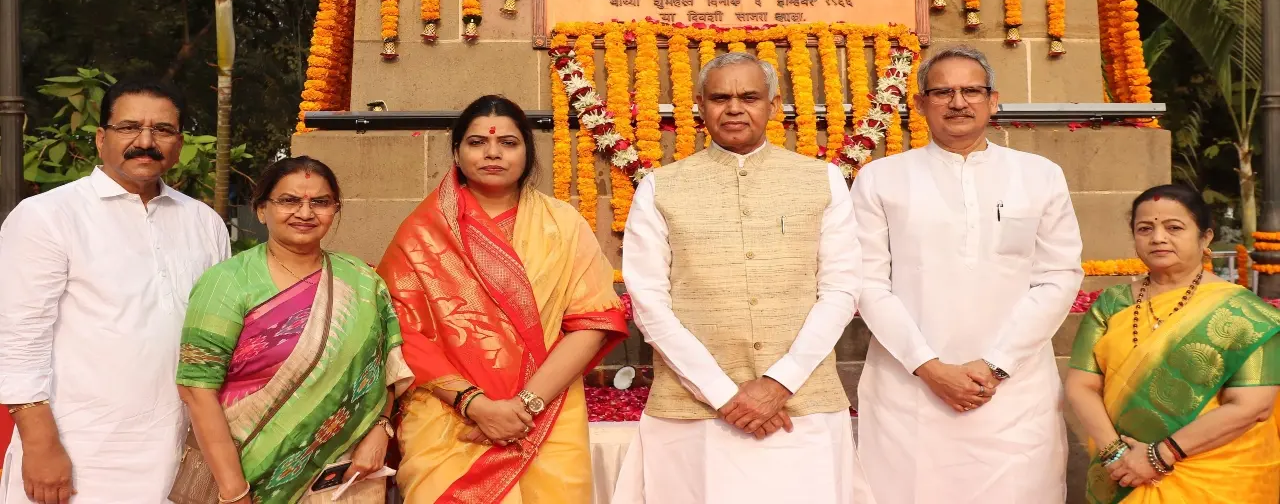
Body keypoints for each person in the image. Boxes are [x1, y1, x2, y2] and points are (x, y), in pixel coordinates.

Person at [613, 52, 864, 504]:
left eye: (749, 97)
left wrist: (779, 383)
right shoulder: (660, 187)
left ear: (774, 104)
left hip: (801, 404)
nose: (734, 108)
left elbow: (841, 290)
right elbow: (648, 302)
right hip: (694, 411)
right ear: (700, 106)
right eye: (719, 98)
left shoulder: (821, 180)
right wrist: (721, 392)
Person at [851, 45, 1084, 503]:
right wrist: (930, 367)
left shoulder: (1040, 176)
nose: (958, 102)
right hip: (911, 390)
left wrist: (996, 364)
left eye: (971, 91)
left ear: (993, 100)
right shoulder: (881, 179)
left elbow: (1059, 276)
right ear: (920, 103)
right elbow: (866, 282)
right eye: (942, 92)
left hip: (1013, 391)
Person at [378, 95, 628, 504]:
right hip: (449, 420)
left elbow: (592, 322)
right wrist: (474, 404)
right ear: (456, 152)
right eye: (477, 142)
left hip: (547, 413)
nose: (492, 153)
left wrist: (524, 406)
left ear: (528, 153)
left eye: (508, 143)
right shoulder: (422, 231)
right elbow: (399, 329)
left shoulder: (562, 225)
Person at [0, 80, 230, 504]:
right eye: (128, 127)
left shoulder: (203, 222)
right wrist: (39, 443)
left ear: (179, 143)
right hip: (77, 448)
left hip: (176, 448)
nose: (145, 142)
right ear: (101, 138)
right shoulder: (47, 216)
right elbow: (18, 337)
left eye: (162, 130)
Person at [175, 156, 412, 504]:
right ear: (261, 210)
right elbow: (197, 389)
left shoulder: (361, 279)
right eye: (289, 200)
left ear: (335, 209)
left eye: (320, 202)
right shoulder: (227, 282)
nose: (305, 213)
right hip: (244, 470)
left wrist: (381, 428)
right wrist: (234, 491)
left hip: (348, 475)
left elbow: (386, 368)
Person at [1066, 183, 1280, 503]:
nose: (1158, 238)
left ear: (1205, 238)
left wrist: (1159, 456)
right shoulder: (1111, 305)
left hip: (1220, 477)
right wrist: (1116, 455)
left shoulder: (1246, 314)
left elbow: (1253, 406)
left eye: (1174, 227)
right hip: (1123, 473)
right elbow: (1081, 385)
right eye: (1145, 228)